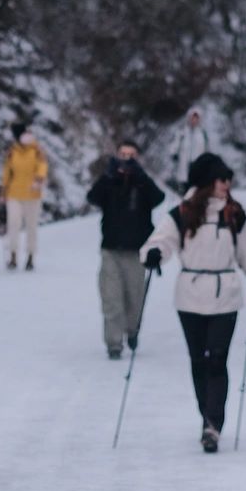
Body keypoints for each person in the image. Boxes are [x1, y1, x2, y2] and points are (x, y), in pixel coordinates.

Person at [142, 152, 246, 452]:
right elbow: (161, 240)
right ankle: (206, 414)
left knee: (217, 359)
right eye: (222, 179)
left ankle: (213, 425)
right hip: (190, 296)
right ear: (207, 181)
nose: (227, 184)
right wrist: (153, 254)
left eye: (229, 179)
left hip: (226, 294)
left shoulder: (234, 213)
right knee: (198, 360)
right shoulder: (183, 212)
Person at [86, 142, 165, 358]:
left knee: (134, 298)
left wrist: (141, 178)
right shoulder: (109, 181)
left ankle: (132, 330)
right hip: (111, 248)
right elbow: (93, 197)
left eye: (131, 155)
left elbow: (159, 198)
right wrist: (109, 176)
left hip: (137, 251)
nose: (126, 159)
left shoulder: (142, 183)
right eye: (123, 154)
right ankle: (113, 343)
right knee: (111, 298)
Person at [1, 120, 48, 271]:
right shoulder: (12, 152)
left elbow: (42, 165)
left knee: (31, 226)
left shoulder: (36, 150)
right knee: (13, 223)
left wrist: (39, 178)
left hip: (33, 194)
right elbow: (7, 172)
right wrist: (3, 191)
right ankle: (13, 255)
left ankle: (30, 256)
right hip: (14, 193)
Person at [170, 108, 209, 194]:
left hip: (197, 163)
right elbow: (175, 143)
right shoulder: (182, 132)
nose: (194, 120)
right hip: (184, 162)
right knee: (184, 185)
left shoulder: (202, 133)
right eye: (192, 118)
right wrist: (174, 153)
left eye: (196, 118)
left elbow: (206, 149)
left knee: (194, 186)